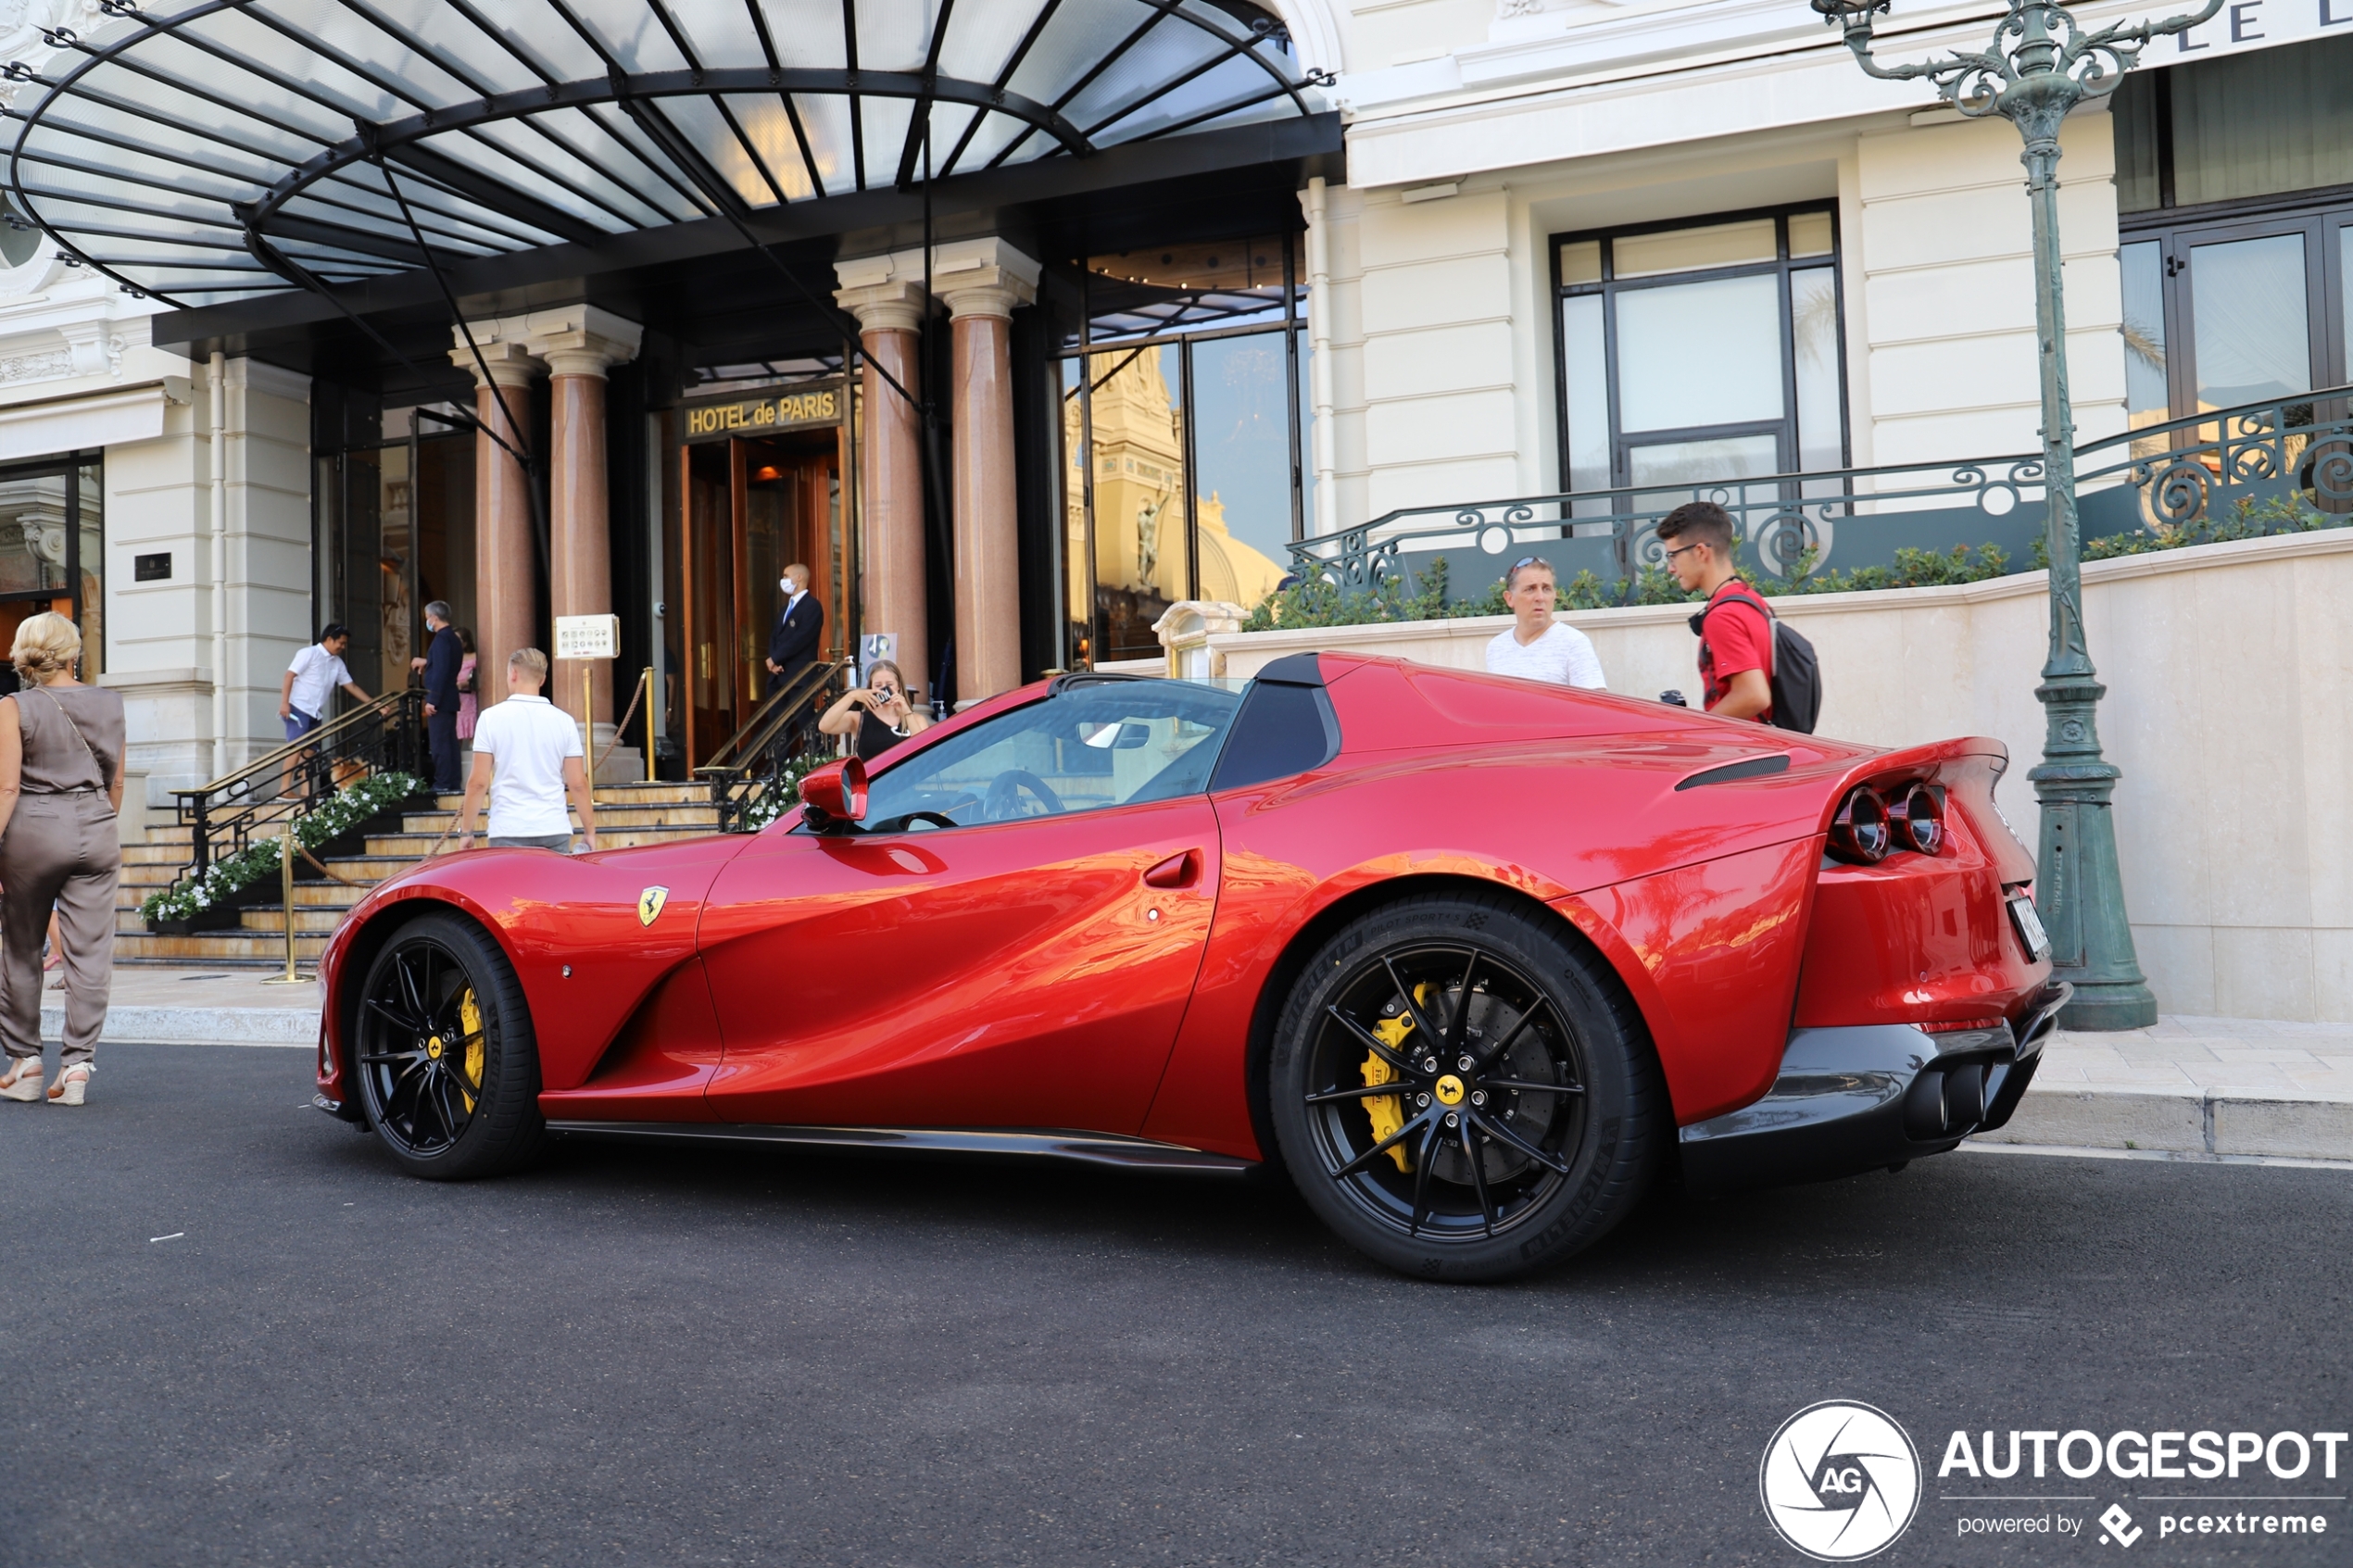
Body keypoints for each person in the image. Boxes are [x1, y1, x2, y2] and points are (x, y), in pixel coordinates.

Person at [0, 612, 123, 1108]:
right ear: (72, 654)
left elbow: (7, 785)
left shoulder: (14, 706)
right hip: (96, 826)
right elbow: (116, 781)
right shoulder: (111, 702)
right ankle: (77, 1067)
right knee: (90, 954)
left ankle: (26, 1063)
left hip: (33, 828)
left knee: (21, 947)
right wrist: (98, 824)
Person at [458, 647, 599, 854]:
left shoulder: (490, 718)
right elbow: (578, 784)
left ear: (513, 674)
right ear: (542, 680)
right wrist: (590, 831)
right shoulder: (564, 722)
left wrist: (466, 831)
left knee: (510, 887)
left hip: (508, 827)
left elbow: (478, 782)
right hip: (553, 825)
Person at [1658, 500, 1773, 723]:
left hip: (1743, 752)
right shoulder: (1751, 599)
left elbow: (1754, 696)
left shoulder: (1723, 616)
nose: (1671, 568)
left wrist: (1696, 730)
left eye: (1673, 557)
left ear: (1700, 551)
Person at [1483, 555, 1605, 689]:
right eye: (1530, 589)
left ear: (1554, 596)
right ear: (1510, 598)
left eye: (1546, 589)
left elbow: (1595, 706)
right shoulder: (1496, 647)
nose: (1540, 597)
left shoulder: (1573, 643)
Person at [818, 659, 933, 762]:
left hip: (907, 783)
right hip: (873, 783)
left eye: (889, 684)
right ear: (871, 688)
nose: (884, 689)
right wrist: (851, 696)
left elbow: (925, 751)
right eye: (878, 685)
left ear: (898, 686)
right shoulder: (858, 719)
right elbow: (824, 726)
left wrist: (907, 712)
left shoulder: (916, 719)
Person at [280, 622, 370, 741]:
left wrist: (375, 703)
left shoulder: (337, 662)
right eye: (341, 643)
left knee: (311, 750)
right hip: (298, 707)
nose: (343, 647)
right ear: (329, 639)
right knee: (296, 748)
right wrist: (285, 703)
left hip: (315, 712)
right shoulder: (310, 653)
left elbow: (351, 687)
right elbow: (289, 676)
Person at [410, 600, 463, 793]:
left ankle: (443, 783)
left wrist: (432, 699)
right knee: (450, 743)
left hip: (440, 700)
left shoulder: (441, 639)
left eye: (427, 617)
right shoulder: (453, 638)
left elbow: (441, 671)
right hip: (449, 698)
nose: (428, 621)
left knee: (440, 744)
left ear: (434, 617)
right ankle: (452, 781)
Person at [764, 563, 824, 696]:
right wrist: (774, 659)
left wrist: (776, 658)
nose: (783, 580)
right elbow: (775, 635)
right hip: (778, 676)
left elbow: (802, 637)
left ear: (799, 577)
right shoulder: (785, 608)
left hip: (799, 675)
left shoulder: (812, 606)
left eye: (786, 576)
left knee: (801, 715)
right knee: (777, 715)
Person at [453, 627, 480, 746]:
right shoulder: (452, 657)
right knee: (456, 727)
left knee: (472, 724)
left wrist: (467, 682)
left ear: (465, 642)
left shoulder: (475, 656)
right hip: (456, 695)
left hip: (469, 694)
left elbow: (479, 675)